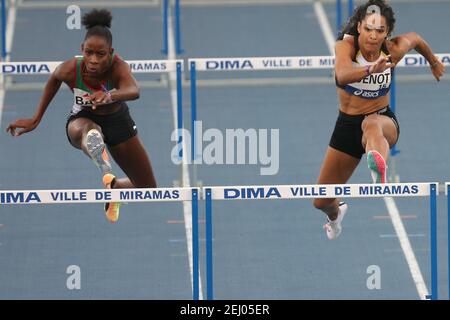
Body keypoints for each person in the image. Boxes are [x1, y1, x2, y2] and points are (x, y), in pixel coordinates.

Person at [6, 9, 157, 223]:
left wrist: (109, 95)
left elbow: (134, 90)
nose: (93, 60)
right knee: (90, 130)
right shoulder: (71, 68)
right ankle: (97, 150)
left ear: (111, 52)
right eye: (89, 53)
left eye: (100, 54)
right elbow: (54, 80)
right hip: (82, 118)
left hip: (118, 121)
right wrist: (36, 118)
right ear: (82, 49)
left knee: (149, 190)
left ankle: (115, 187)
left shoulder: (118, 67)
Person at [313, 0, 445, 240]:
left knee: (370, 123)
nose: (373, 36)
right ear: (359, 27)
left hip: (383, 122)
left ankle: (378, 168)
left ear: (387, 33)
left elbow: (415, 38)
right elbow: (342, 75)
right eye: (368, 29)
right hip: (347, 127)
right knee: (321, 201)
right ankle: (336, 214)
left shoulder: (392, 49)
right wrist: (371, 69)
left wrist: (433, 62)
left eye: (380, 31)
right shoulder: (346, 48)